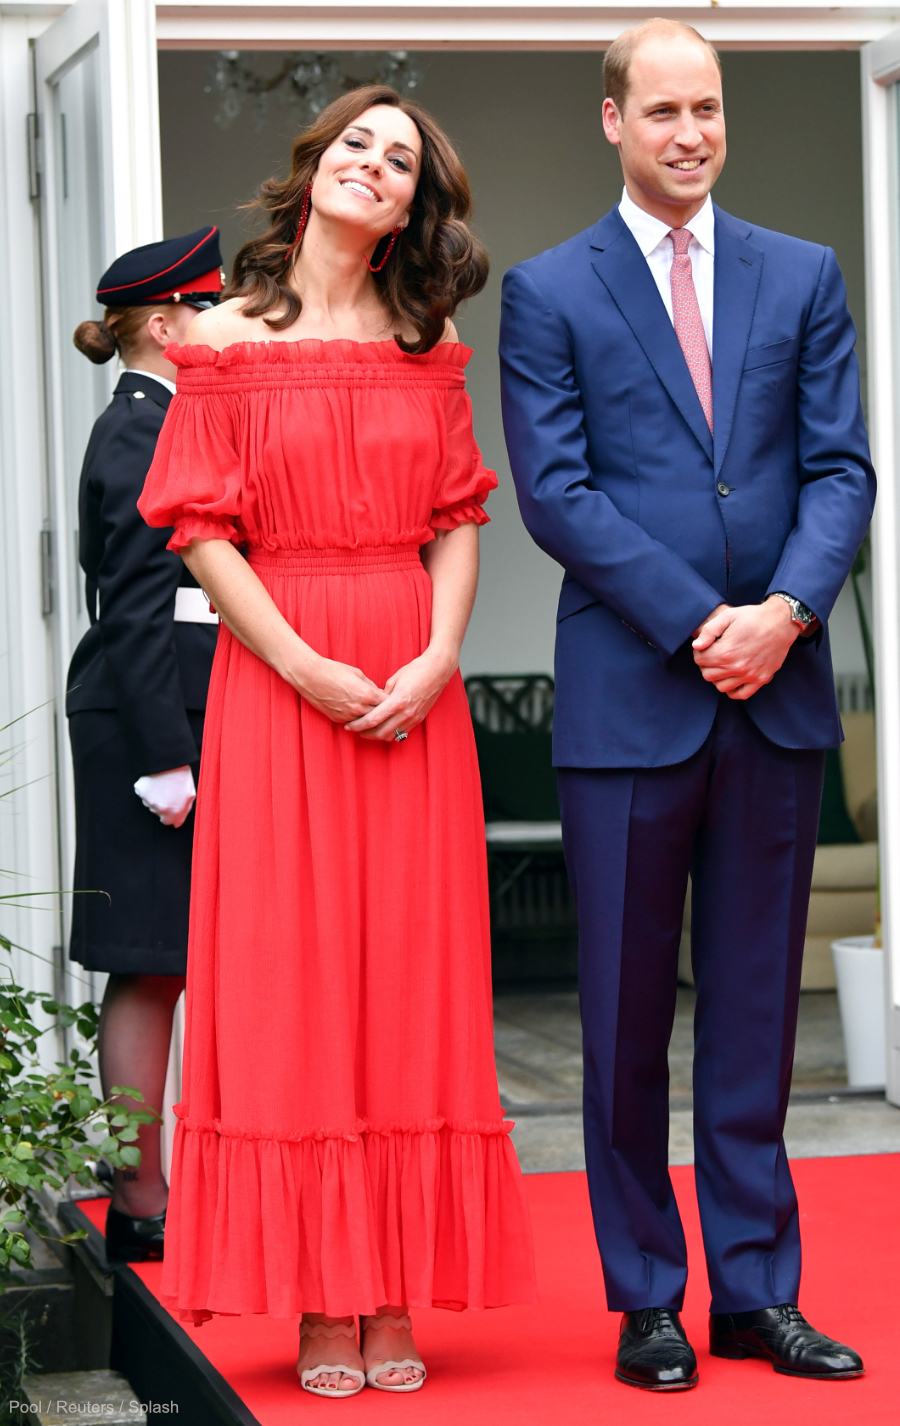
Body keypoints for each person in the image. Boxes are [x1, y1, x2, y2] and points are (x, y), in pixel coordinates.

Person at [138, 85, 536, 1397]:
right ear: (315, 172)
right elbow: (199, 529)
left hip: (411, 686)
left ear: (416, 205)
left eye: (404, 158)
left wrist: (437, 656)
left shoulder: (430, 345)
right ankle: (322, 1295)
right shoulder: (223, 342)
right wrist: (301, 660)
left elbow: (461, 514)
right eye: (359, 143)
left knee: (407, 986)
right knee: (291, 985)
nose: (377, 164)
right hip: (277, 677)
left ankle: (391, 1287)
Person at [500, 19, 873, 1392]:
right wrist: (698, 619)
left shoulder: (803, 274)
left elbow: (842, 469)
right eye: (662, 110)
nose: (690, 133)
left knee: (759, 1017)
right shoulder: (551, 292)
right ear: (613, 121)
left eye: (707, 107)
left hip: (773, 698)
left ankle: (757, 1292)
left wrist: (782, 613)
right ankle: (647, 1294)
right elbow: (557, 492)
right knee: (621, 1020)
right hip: (626, 705)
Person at [67, 228, 224, 1261]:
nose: (218, 325)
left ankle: (162, 1194)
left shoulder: (174, 420)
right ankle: (140, 1201)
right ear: (164, 325)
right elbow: (133, 608)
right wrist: (167, 755)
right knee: (149, 962)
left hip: (183, 709)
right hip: (148, 716)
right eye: (204, 309)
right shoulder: (139, 430)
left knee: (177, 958)